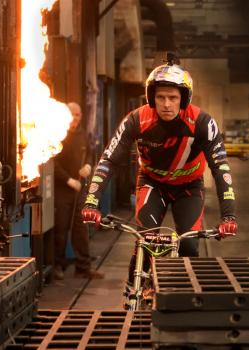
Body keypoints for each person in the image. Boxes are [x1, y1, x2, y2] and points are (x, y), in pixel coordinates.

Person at [81, 59, 237, 284]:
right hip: (152, 184)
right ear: (151, 98)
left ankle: (184, 296)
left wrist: (228, 216)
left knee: (189, 245)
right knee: (147, 242)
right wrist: (91, 203)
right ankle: (134, 291)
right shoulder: (136, 119)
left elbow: (221, 169)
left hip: (189, 188)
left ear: (183, 99)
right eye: (160, 97)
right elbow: (108, 161)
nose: (166, 104)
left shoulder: (203, 123)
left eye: (173, 98)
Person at [53, 102, 104, 280]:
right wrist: (68, 180)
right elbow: (52, 163)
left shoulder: (82, 135)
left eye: (77, 115)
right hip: (61, 190)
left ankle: (83, 267)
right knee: (60, 229)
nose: (74, 118)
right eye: (71, 115)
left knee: (81, 228)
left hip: (79, 190)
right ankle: (56, 266)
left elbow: (90, 153)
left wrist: (88, 165)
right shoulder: (56, 135)